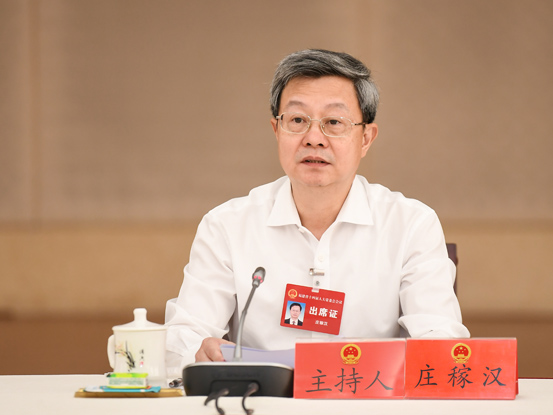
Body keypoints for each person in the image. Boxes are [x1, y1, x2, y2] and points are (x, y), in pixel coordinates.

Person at [165, 49, 469, 376]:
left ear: (366, 138)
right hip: (262, 398)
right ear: (276, 130)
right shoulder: (227, 226)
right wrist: (198, 351)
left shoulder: (410, 225)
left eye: (334, 122)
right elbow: (183, 339)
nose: (313, 139)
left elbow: (440, 341)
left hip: (370, 397)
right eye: (297, 120)